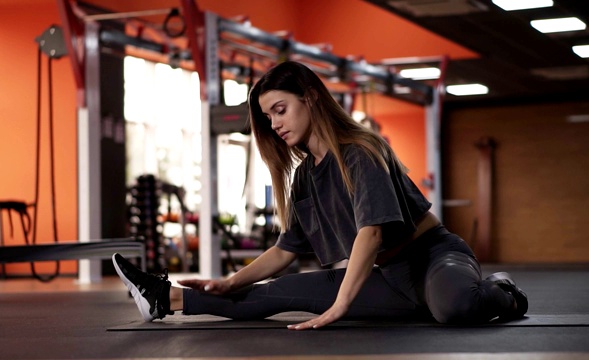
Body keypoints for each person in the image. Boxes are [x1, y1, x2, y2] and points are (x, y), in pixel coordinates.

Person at [112, 61, 528, 328]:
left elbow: (372, 234)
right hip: (385, 276)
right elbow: (283, 252)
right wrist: (229, 281)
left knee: (455, 307)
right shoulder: (305, 178)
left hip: (431, 256)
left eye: (280, 109)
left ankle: (499, 289)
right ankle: (163, 297)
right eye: (267, 116)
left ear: (310, 98)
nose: (274, 123)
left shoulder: (361, 151)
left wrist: (339, 305)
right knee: (273, 294)